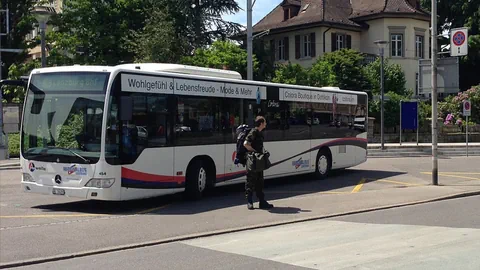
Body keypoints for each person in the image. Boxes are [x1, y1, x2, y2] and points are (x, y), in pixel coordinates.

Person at [243, 116, 274, 210]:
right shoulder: (253, 132)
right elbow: (246, 144)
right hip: (252, 161)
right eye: (264, 122)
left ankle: (262, 202)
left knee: (260, 182)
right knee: (250, 182)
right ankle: (249, 202)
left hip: (259, 161)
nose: (266, 124)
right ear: (261, 123)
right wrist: (255, 152)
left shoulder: (260, 133)